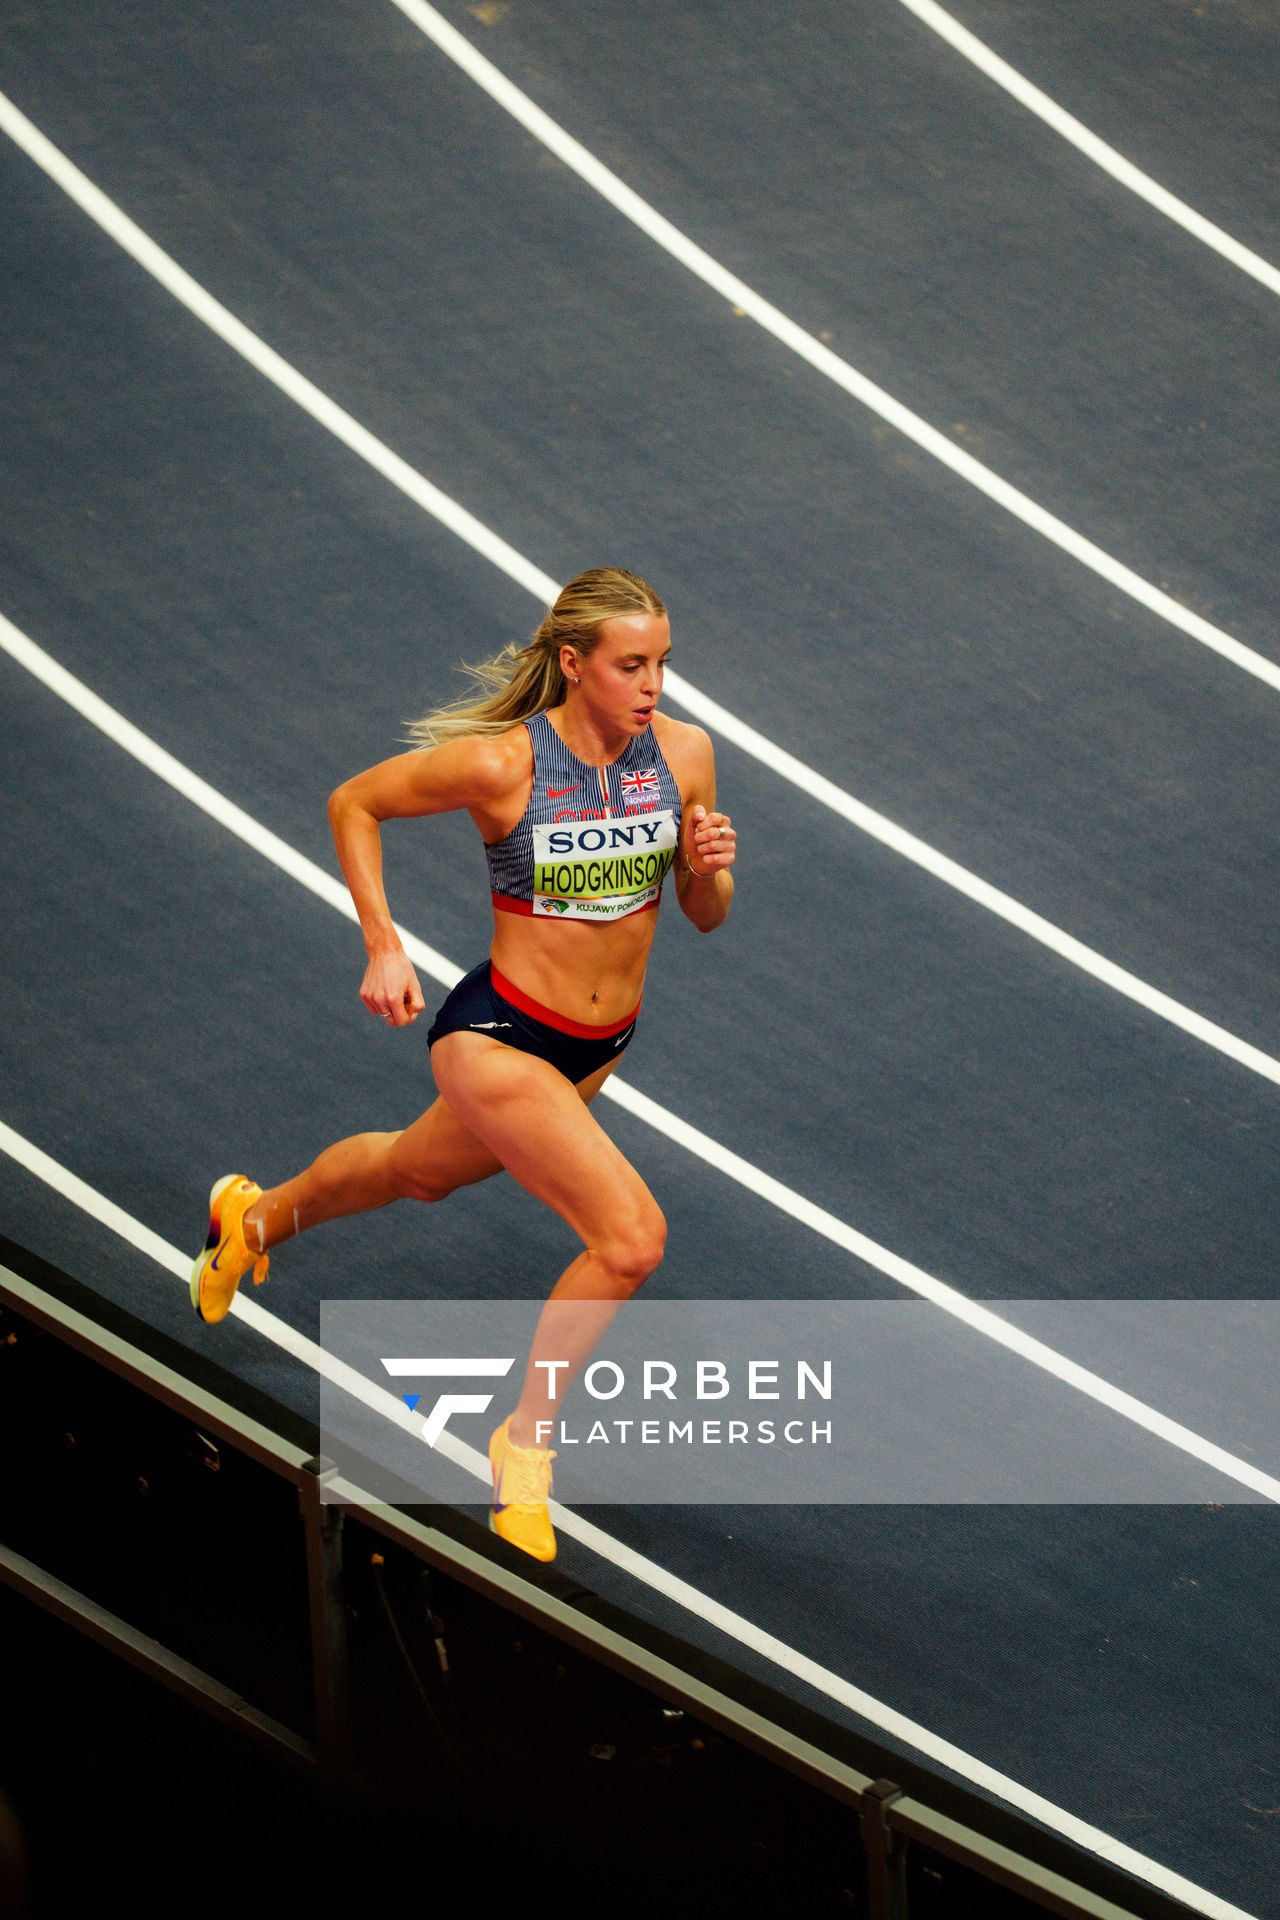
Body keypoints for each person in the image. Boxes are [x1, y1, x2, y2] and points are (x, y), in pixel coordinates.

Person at [190, 568, 735, 1560]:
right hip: (497, 1039)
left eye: (661, 663)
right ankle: (522, 1446)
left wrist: (707, 864)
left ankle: (251, 1218)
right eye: (630, 665)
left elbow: (704, 913)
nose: (653, 685)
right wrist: (383, 943)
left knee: (417, 1171)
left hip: (596, 1050)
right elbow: (354, 802)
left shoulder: (684, 754)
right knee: (629, 1242)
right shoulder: (501, 765)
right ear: (573, 663)